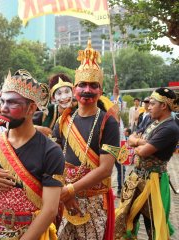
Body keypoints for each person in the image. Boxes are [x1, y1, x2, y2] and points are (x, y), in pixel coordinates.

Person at [0, 69, 65, 239]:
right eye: (3, 101)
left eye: (12, 103)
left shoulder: (51, 151)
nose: (3, 108)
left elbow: (50, 209)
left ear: (31, 108)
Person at [53, 40, 120, 240]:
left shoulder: (109, 122)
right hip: (63, 197)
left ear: (100, 90)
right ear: (74, 89)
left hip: (93, 201)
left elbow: (106, 169)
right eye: (82, 85)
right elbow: (54, 159)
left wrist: (70, 190)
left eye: (93, 85)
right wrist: (62, 193)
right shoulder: (63, 119)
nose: (87, 90)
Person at [115, 87, 179, 240]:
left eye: (152, 104)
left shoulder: (170, 128)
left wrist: (137, 143)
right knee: (125, 217)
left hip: (153, 183)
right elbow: (131, 137)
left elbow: (143, 152)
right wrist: (140, 142)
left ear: (163, 105)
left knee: (153, 224)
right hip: (135, 178)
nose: (148, 107)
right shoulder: (151, 119)